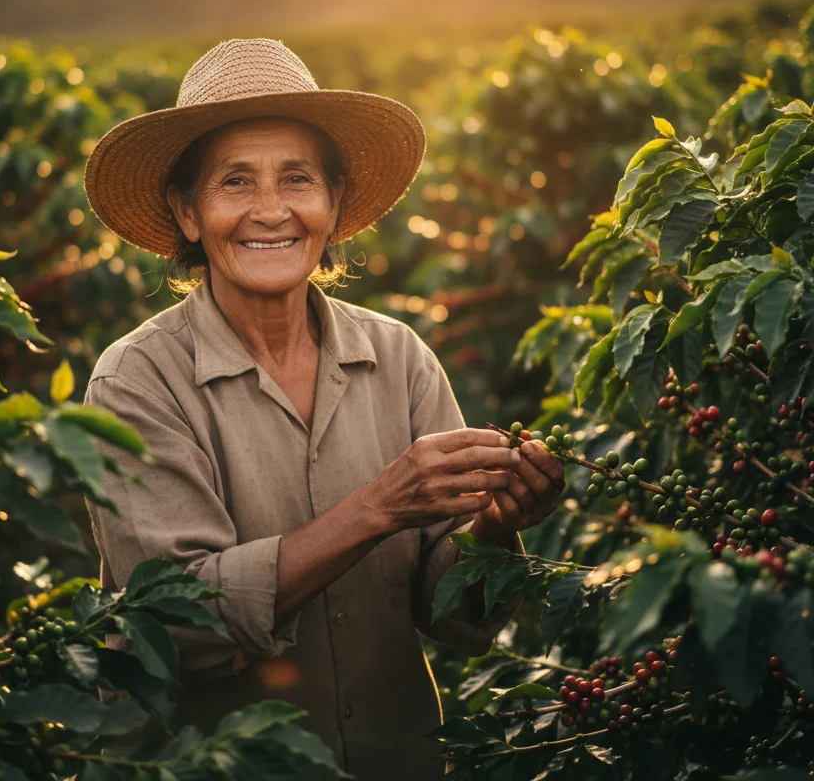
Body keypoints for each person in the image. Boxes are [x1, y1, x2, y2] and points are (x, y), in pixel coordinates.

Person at [81, 38, 565, 780]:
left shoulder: (398, 360)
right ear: (187, 212)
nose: (270, 211)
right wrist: (376, 507)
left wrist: (497, 525)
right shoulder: (137, 382)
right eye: (235, 182)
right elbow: (174, 627)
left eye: (297, 179)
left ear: (334, 206)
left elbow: (456, 621)